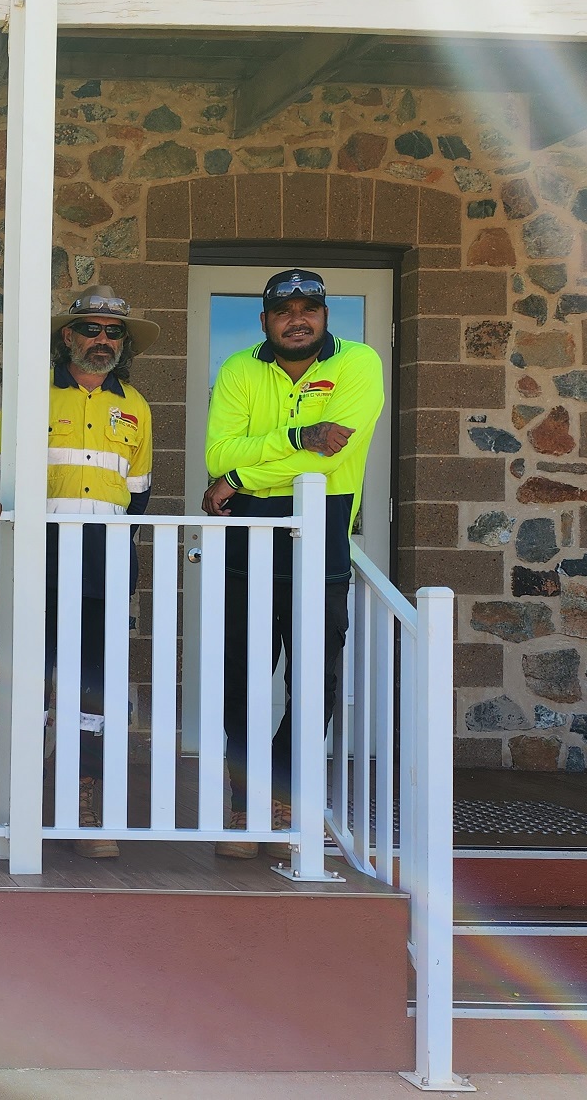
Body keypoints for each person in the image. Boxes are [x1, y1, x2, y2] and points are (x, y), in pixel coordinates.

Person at [202, 269, 384, 859]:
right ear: (265, 320)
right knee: (241, 680)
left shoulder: (358, 363)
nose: (297, 319)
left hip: (321, 531)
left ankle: (280, 794)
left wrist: (237, 479)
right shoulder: (237, 369)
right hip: (249, 539)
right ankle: (241, 804)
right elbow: (215, 452)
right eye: (285, 310)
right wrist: (301, 437)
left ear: (326, 316)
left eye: (309, 308)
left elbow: (338, 459)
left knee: (316, 682)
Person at [0, 286, 155, 861]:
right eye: (91, 329)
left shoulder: (136, 405)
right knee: (30, 680)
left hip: (105, 558)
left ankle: (84, 806)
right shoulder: (31, 395)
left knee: (95, 685)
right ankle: (15, 809)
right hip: (40, 555)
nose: (103, 341)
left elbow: (138, 495)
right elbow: (2, 477)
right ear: (68, 336)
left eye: (114, 333)